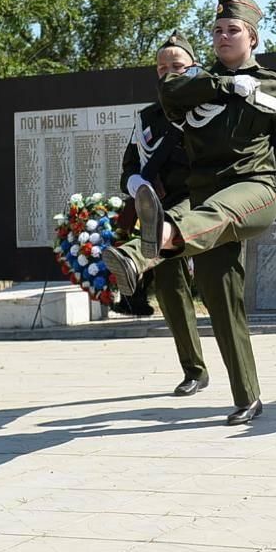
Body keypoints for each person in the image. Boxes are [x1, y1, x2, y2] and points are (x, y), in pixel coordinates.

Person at [104, 0, 276, 426]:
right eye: (216, 30)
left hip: (257, 188)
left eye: (232, 30)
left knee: (217, 214)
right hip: (204, 201)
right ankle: (247, 397)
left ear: (251, 37)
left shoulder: (275, 84)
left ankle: (150, 245)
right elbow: (171, 90)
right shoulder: (195, 86)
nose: (222, 36)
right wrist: (223, 83)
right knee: (220, 298)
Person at [120, 33, 212, 396]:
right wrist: (137, 182)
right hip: (161, 208)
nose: (168, 72)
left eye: (177, 66)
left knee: (220, 290)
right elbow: (128, 167)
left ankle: (242, 366)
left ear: (194, 68)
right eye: (162, 67)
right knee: (171, 291)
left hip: (206, 202)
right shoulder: (147, 118)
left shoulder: (210, 106)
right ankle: (194, 369)